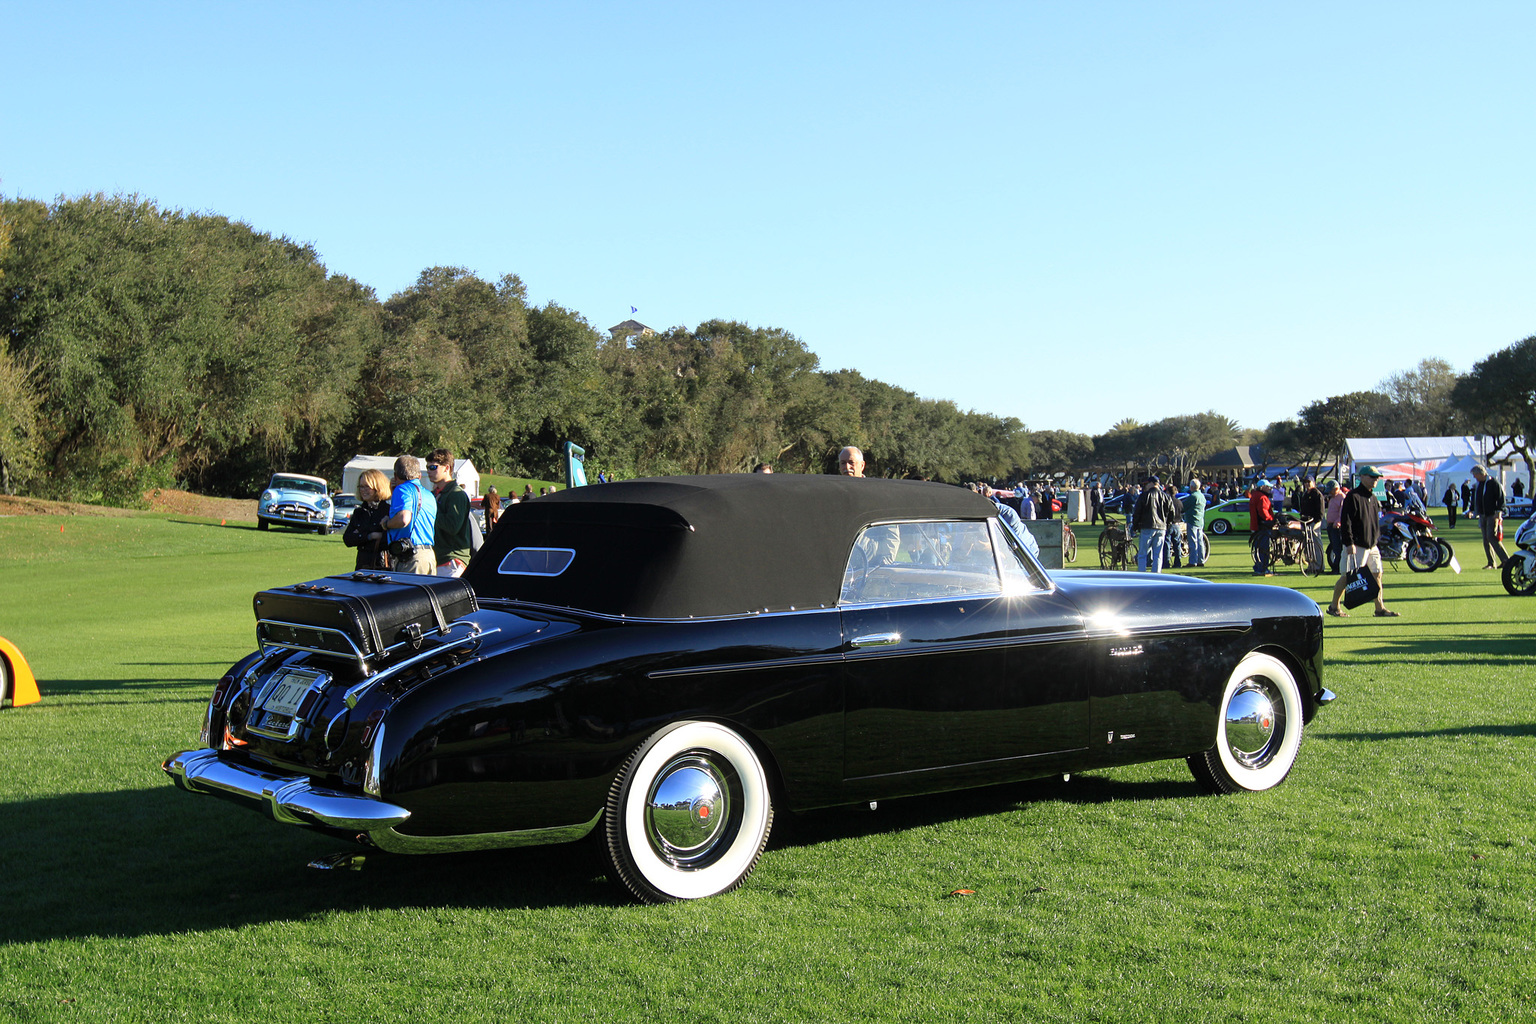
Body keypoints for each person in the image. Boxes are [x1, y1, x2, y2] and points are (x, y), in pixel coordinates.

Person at [1328, 465, 1397, 618]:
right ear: (1362, 477)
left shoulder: (1373, 498)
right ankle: (1334, 606)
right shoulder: (1353, 496)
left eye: (1377, 477)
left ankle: (1380, 608)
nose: (1375, 479)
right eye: (1372, 477)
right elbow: (1346, 522)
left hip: (1372, 545)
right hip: (1357, 544)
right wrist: (1349, 542)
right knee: (1348, 577)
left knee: (1377, 574)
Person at [384, 455, 437, 575]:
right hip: (429, 555)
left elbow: (404, 519)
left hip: (410, 556)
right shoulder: (429, 495)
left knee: (407, 593)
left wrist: (386, 523)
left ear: (396, 475)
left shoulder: (402, 489)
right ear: (419, 476)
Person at [427, 449, 473, 577]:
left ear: (446, 468)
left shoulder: (456, 494)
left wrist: (431, 512)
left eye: (433, 467)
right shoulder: (434, 494)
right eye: (427, 467)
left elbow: (452, 526)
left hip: (452, 560)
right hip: (437, 559)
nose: (429, 471)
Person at [342, 468, 392, 571]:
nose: (363, 490)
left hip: (383, 565)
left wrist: (361, 534)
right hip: (362, 565)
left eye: (367, 487)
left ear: (377, 488)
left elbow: (390, 539)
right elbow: (348, 539)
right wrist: (370, 536)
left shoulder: (388, 511)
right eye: (361, 487)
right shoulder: (359, 512)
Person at [1131, 475, 1178, 572]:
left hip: (1147, 526)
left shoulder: (1144, 496)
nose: (1146, 486)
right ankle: (1156, 574)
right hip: (1161, 527)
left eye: (1147, 484)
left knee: (1143, 553)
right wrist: (1167, 524)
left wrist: (1135, 526)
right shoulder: (1166, 497)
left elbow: (1137, 512)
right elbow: (1172, 513)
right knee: (1158, 554)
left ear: (1152, 483)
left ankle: (1142, 574)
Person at [1469, 464, 1510, 569]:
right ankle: (1491, 563)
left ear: (1481, 473)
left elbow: (1501, 499)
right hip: (1482, 514)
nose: (1474, 477)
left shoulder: (1493, 483)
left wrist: (1499, 512)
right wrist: (1472, 510)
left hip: (1492, 515)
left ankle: (1506, 560)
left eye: (1475, 474)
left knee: (1492, 537)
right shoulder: (1478, 485)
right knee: (1486, 539)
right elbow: (1475, 498)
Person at [1296, 475, 1325, 575]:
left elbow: (1321, 511)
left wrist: (1317, 521)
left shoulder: (1317, 494)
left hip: (1314, 522)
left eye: (1309, 482)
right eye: (1305, 482)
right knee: (1307, 545)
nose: (1307, 484)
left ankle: (1319, 566)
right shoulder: (1305, 494)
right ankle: (1311, 565)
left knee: (1316, 543)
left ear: (1313, 482)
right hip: (1305, 522)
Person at [1249, 479, 1276, 576]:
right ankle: (1263, 568)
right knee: (1264, 548)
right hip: (1263, 526)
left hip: (1256, 525)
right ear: (1262, 487)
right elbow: (1263, 512)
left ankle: (1258, 567)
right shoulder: (1262, 497)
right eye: (1267, 486)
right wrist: (1271, 520)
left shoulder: (1254, 495)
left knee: (1258, 547)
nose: (1269, 488)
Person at [1183, 476, 1208, 567]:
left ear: (1192, 487)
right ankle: (1201, 560)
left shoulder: (1193, 496)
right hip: (1200, 521)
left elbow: (1183, 506)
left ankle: (1192, 561)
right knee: (1200, 542)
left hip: (1192, 520)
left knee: (1193, 542)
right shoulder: (1202, 496)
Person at [1323, 480, 1345, 574]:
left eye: (1331, 490)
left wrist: (1338, 522)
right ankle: (1335, 567)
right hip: (1330, 525)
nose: (1329, 492)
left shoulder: (1342, 498)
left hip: (1336, 526)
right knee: (1333, 547)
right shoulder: (1332, 497)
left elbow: (1342, 512)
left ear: (1336, 489)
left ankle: (1337, 568)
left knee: (1337, 548)